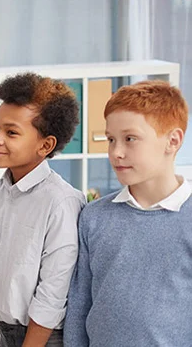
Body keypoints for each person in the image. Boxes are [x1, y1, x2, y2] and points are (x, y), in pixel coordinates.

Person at [64, 80, 192, 346]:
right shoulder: (94, 217)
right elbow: (79, 306)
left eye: (130, 139)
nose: (115, 153)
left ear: (173, 140)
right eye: (111, 139)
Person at [0, 73, 85, 346]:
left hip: (42, 338)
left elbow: (54, 290)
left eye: (11, 132)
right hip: (7, 331)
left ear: (45, 145)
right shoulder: (0, 190)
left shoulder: (61, 202)